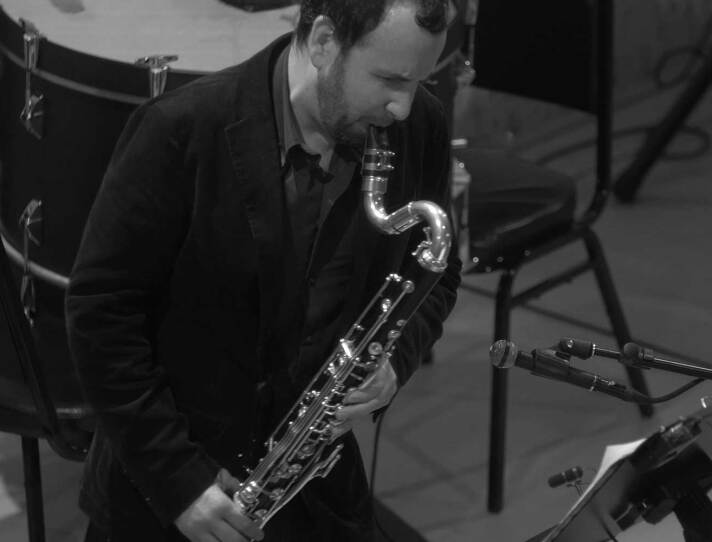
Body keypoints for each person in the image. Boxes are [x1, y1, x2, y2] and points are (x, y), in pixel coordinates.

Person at [64, 1, 461, 540]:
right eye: (390, 78)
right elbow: (101, 318)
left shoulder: (417, 128)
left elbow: (437, 277)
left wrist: (397, 358)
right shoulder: (180, 130)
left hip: (312, 485)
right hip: (173, 488)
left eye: (419, 80)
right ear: (323, 41)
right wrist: (181, 483)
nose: (403, 107)